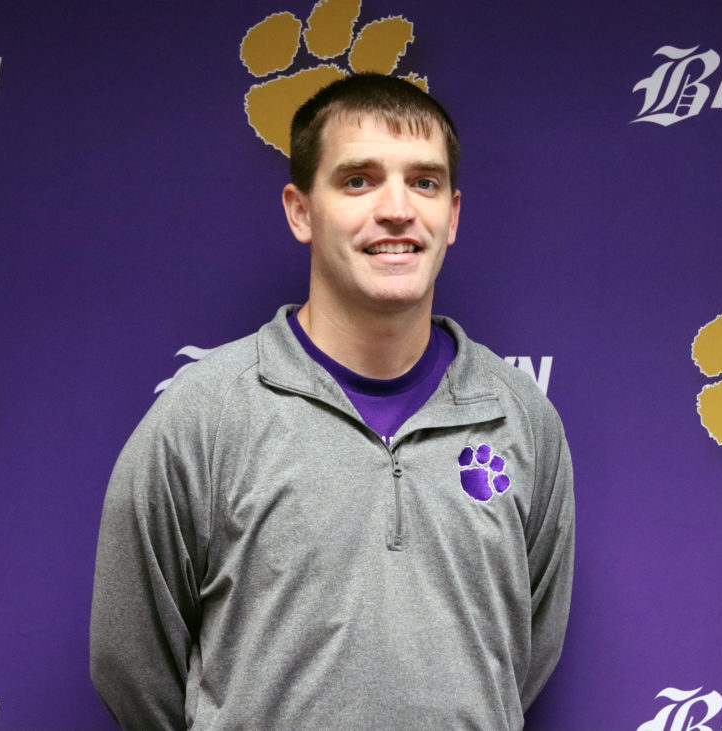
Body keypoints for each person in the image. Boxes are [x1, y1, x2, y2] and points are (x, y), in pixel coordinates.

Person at [90, 73, 574, 730]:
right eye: (359, 180)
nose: (398, 208)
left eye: (424, 182)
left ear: (453, 215)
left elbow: (526, 650)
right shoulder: (205, 415)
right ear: (300, 210)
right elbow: (130, 660)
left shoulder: (520, 417)